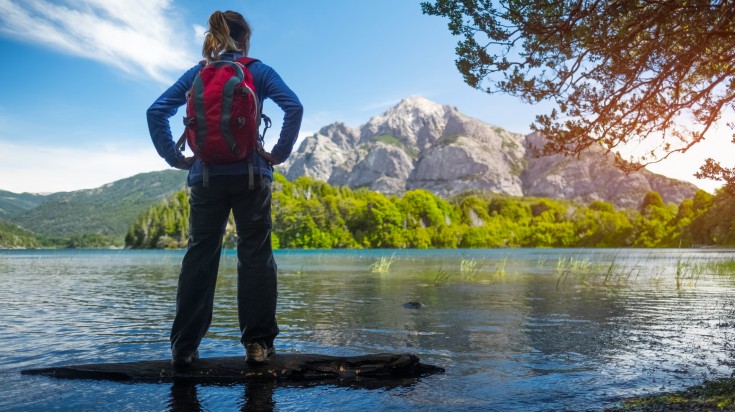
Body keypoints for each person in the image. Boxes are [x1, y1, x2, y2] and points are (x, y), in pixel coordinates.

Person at [147, 10, 303, 368]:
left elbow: (156, 112)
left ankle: (184, 347)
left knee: (200, 257)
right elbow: (294, 106)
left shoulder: (197, 73)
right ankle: (258, 345)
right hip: (252, 177)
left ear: (215, 37)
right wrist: (276, 153)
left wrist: (176, 157)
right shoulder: (259, 70)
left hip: (205, 177)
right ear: (245, 39)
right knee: (255, 257)